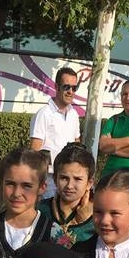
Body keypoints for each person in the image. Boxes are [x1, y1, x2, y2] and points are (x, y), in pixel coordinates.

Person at [30, 67, 81, 199]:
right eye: (66, 87)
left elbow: (77, 144)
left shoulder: (74, 114)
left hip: (68, 177)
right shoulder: (44, 113)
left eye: (74, 88)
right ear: (57, 87)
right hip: (49, 179)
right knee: (49, 210)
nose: (70, 91)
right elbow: (35, 150)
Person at [37, 142, 96, 244]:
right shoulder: (40, 211)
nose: (69, 185)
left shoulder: (98, 218)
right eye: (64, 178)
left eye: (77, 179)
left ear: (89, 183)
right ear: (55, 179)